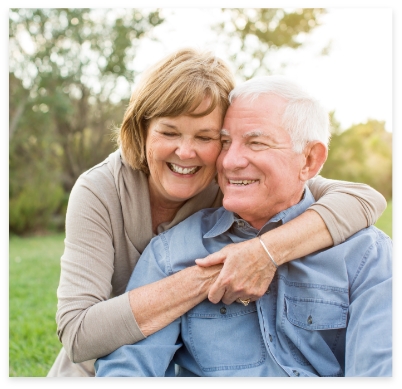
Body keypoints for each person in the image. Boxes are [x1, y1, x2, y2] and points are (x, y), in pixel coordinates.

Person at [48, 48, 387, 377]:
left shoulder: (230, 180)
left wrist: (265, 251)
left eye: (210, 137)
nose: (187, 152)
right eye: (168, 132)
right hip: (91, 360)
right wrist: (224, 270)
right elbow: (81, 335)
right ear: (142, 131)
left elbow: (360, 197)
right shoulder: (105, 194)